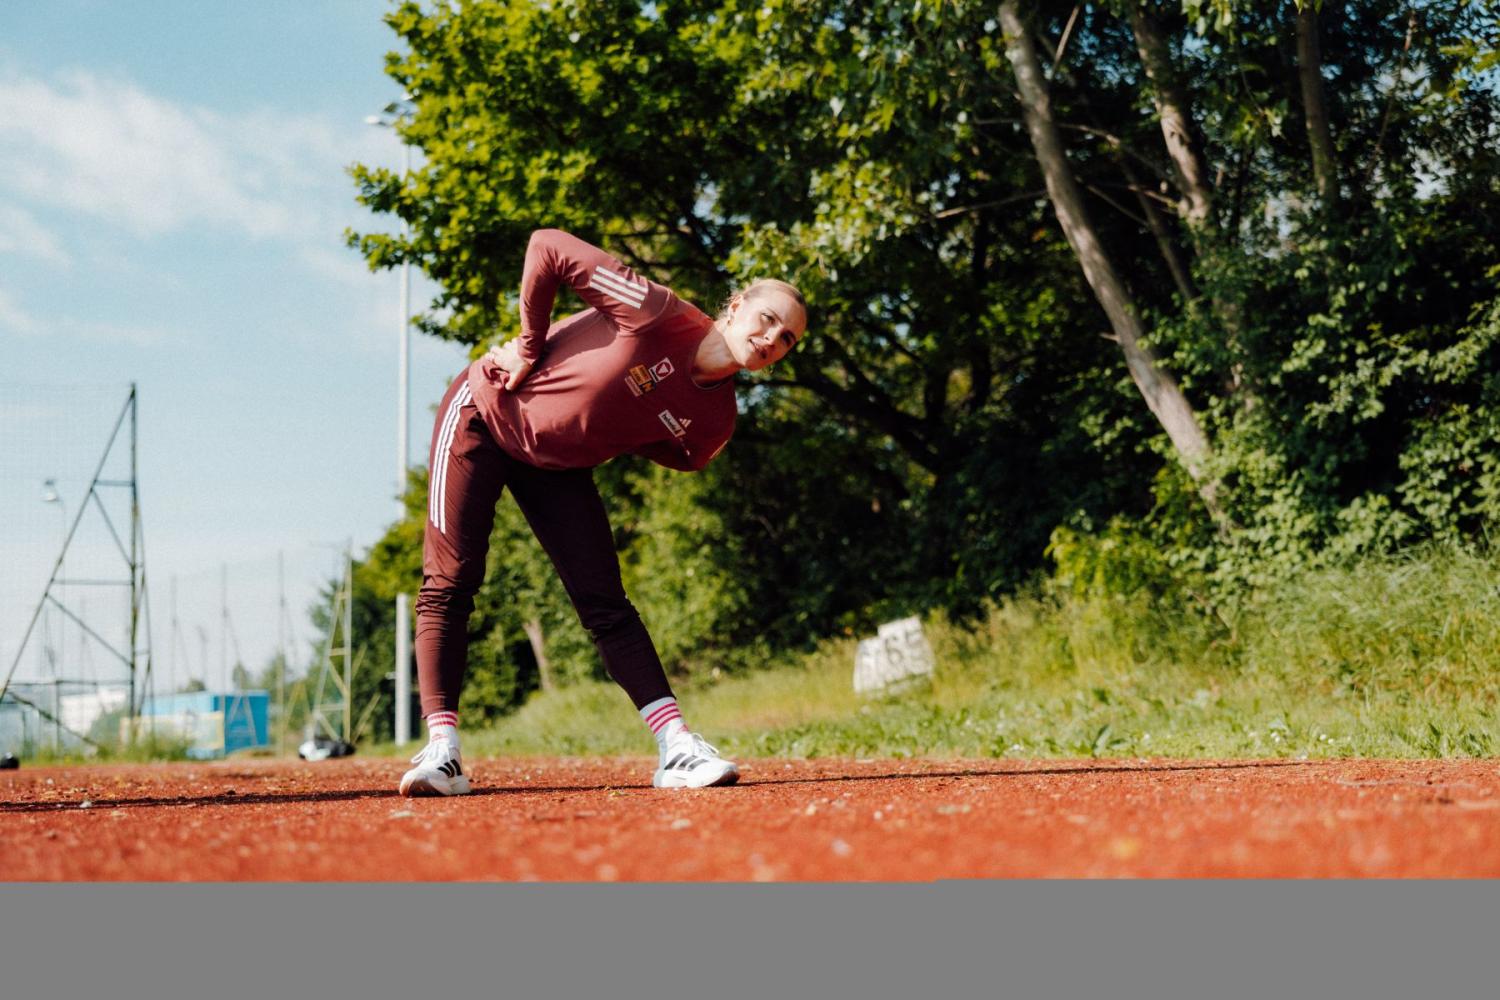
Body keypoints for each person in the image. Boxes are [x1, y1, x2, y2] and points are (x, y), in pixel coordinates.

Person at [399, 228, 807, 796]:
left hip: (558, 464)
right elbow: (546, 246)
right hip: (486, 412)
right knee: (451, 580)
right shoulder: (655, 311)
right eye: (767, 319)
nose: (771, 339)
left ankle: (677, 747)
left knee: (605, 603)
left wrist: (595, 430)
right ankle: (442, 752)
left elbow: (680, 454)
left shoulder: (714, 425)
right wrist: (529, 344)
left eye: (786, 339)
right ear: (736, 306)